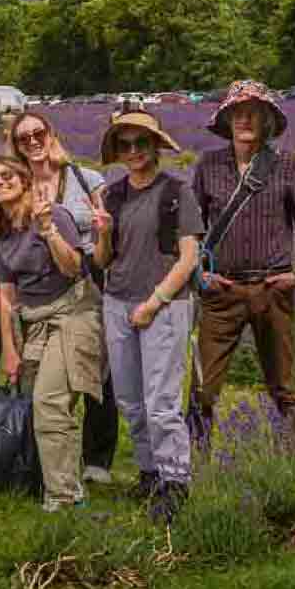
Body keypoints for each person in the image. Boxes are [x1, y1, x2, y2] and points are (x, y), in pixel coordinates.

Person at [191, 81, 295, 443]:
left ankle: (292, 464)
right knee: (201, 389)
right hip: (222, 293)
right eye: (238, 112)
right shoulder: (208, 166)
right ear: (227, 119)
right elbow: (187, 231)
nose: (245, 119)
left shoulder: (287, 165)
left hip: (272, 291)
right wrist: (200, 276)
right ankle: (194, 472)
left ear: (267, 120)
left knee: (283, 389)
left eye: (254, 112)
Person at [95, 109, 203, 524]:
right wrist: (103, 232)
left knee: (161, 402)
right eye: (126, 144)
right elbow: (103, 260)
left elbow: (188, 256)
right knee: (129, 400)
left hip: (163, 305)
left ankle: (175, 481)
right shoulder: (112, 195)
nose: (135, 150)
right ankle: (149, 472)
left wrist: (154, 302)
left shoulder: (177, 192)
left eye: (142, 142)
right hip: (117, 302)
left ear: (156, 145)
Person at [8, 111, 118, 484]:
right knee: (53, 373)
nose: (33, 141)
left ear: (51, 133)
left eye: (38, 133)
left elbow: (106, 230)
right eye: (24, 138)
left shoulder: (85, 179)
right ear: (16, 147)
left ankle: (97, 456)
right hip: (42, 282)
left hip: (89, 271)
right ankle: (50, 452)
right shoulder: (18, 184)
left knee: (99, 370)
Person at [0, 154, 101, 511]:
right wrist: (9, 349)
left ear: (24, 181)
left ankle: (62, 499)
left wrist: (49, 229)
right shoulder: (2, 234)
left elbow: (73, 268)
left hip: (74, 311)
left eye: (8, 176)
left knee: (50, 402)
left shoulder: (54, 216)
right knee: (47, 406)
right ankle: (65, 486)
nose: (0, 182)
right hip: (35, 321)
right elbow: (6, 297)